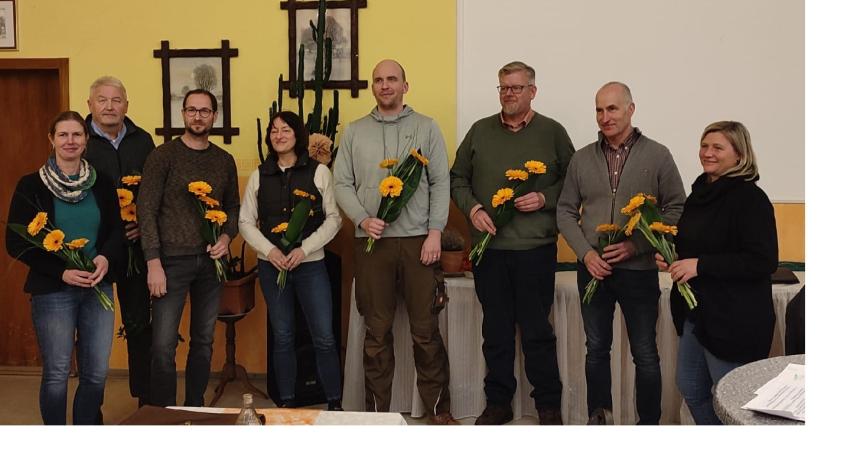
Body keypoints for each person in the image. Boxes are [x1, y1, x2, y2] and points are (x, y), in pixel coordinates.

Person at [334, 59, 457, 424]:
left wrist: (435, 231)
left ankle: (439, 411)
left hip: (420, 242)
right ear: (372, 87)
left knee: (426, 332)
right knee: (376, 333)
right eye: (378, 80)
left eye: (392, 79)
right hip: (373, 244)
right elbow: (342, 183)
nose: (385, 85)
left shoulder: (426, 128)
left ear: (406, 85)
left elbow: (440, 182)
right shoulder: (355, 131)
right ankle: (375, 416)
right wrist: (362, 218)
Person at [451, 61, 574, 425]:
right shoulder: (480, 131)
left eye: (516, 88)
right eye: (503, 87)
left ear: (532, 91)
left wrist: (544, 198)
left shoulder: (552, 133)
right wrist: (472, 209)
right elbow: (458, 178)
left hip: (535, 251)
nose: (508, 94)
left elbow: (574, 182)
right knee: (496, 331)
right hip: (490, 251)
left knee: (537, 332)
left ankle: (548, 405)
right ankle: (498, 402)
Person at [557, 81, 686, 425]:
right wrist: (585, 254)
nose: (604, 116)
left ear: (631, 109)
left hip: (639, 270)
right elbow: (565, 211)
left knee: (645, 353)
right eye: (599, 110)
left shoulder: (658, 155)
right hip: (594, 271)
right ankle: (600, 421)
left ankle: (648, 427)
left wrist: (636, 244)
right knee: (596, 350)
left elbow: (676, 208)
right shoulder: (582, 158)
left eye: (612, 108)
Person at [655, 121, 778, 425]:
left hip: (733, 319)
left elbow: (762, 261)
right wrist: (673, 257)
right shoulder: (699, 194)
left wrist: (699, 265)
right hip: (698, 313)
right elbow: (700, 245)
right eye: (704, 145)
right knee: (691, 386)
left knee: (731, 399)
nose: (707, 153)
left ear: (739, 155)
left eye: (717, 147)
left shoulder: (751, 199)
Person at [5, 111, 123, 424]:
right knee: (57, 374)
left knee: (96, 374)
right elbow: (16, 242)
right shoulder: (31, 185)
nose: (70, 141)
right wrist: (61, 271)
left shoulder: (102, 182)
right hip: (53, 291)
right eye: (63, 135)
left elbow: (116, 232)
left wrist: (105, 258)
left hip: (98, 287)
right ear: (52, 140)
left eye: (77, 135)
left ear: (86, 141)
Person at [137, 89, 240, 407]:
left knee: (204, 342)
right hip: (170, 263)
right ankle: (165, 414)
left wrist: (225, 238)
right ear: (182, 113)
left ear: (214, 116)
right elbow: (146, 209)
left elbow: (233, 207)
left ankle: (194, 407)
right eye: (192, 110)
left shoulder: (224, 160)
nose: (198, 116)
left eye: (205, 111)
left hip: (211, 265)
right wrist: (153, 262)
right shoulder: (162, 156)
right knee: (163, 345)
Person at [238, 111, 343, 410]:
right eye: (273, 130)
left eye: (285, 130)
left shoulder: (319, 172)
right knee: (282, 336)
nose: (279, 135)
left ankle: (334, 402)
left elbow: (334, 219)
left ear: (298, 135)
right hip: (271, 268)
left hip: (310, 266)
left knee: (324, 336)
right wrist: (269, 251)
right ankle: (285, 404)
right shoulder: (260, 174)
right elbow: (246, 221)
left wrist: (304, 249)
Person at [84, 75, 155, 407]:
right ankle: (91, 406)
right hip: (93, 252)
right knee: (92, 331)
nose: (110, 106)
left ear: (127, 105)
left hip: (135, 249)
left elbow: (155, 193)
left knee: (140, 324)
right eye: (102, 100)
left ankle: (146, 400)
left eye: (116, 100)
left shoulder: (143, 141)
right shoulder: (77, 140)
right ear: (90, 105)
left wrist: (144, 224)